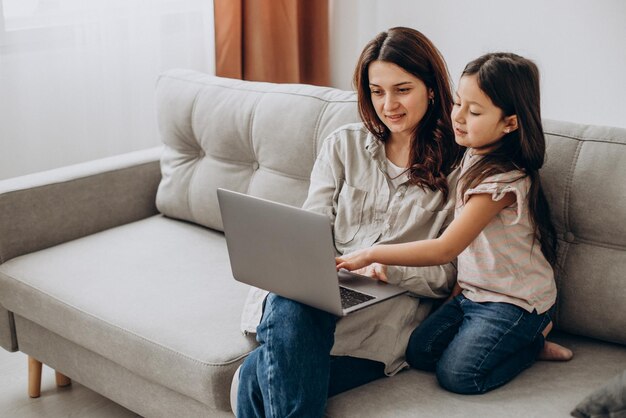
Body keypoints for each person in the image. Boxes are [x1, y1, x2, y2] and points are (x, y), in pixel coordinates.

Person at [233, 27, 464, 417]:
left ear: (432, 89)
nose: (388, 104)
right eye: (377, 91)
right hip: (318, 301)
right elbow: (311, 228)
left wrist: (388, 268)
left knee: (255, 375)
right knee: (293, 300)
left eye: (402, 89)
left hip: (381, 325)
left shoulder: (460, 167)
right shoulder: (343, 145)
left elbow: (447, 275)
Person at [336, 52, 573, 396]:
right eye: (459, 103)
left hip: (514, 302)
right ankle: (517, 341)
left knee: (459, 376)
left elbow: (446, 247)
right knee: (420, 352)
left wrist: (372, 254)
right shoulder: (472, 156)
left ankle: (531, 341)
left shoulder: (502, 183)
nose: (458, 117)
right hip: (474, 294)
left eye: (474, 112)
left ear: (510, 123)